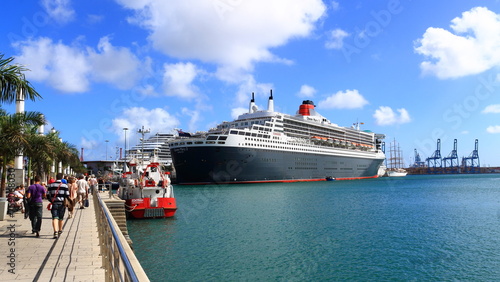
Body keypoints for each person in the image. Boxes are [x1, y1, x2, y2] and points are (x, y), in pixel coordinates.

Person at [47, 173, 69, 239]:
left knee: (55, 217)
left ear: (56, 177)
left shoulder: (51, 185)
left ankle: (55, 231)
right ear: (62, 177)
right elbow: (67, 195)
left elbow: (48, 195)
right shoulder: (65, 186)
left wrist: (51, 201)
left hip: (54, 203)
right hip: (62, 203)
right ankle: (60, 230)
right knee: (61, 218)